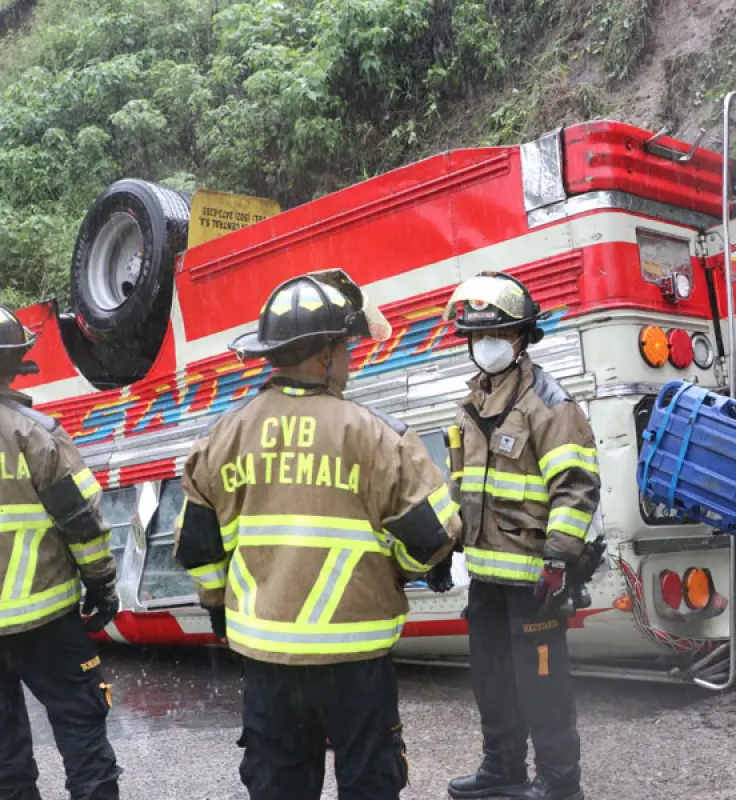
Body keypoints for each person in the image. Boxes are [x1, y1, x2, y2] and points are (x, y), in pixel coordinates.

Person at [173, 270, 460, 800]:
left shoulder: (222, 436)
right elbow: (433, 534)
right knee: (369, 784)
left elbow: (198, 544)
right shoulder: (378, 435)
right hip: (356, 660)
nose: (351, 359)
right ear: (325, 355)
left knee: (278, 786)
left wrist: (218, 604)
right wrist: (395, 570)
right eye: (346, 348)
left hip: (267, 660)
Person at [444, 272, 601, 800]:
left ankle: (560, 781)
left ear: (521, 338)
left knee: (542, 684)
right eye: (475, 336)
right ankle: (502, 768)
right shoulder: (472, 406)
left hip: (534, 578)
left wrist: (558, 560)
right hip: (486, 577)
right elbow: (461, 487)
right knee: (491, 681)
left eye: (496, 334)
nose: (483, 346)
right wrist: (444, 549)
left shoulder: (550, 404)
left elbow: (575, 487)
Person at [0, 298, 121, 800]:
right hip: (48, 620)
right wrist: (101, 584)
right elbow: (81, 521)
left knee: (2, 752)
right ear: (14, 362)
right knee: (82, 736)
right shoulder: (36, 433)